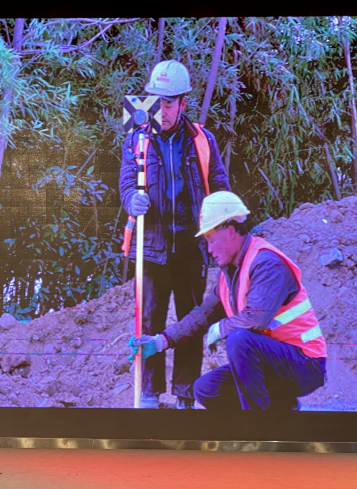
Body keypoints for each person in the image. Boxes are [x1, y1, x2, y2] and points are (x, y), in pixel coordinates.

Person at [131, 191, 327, 410]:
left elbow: (256, 318)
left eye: (212, 240)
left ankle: (257, 428)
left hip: (305, 364)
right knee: (206, 389)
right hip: (274, 361)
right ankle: (283, 407)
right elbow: (201, 316)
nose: (209, 249)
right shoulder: (230, 274)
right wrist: (161, 341)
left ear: (231, 231)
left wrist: (220, 328)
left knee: (239, 339)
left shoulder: (266, 264)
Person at [119, 59, 231, 409]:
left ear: (183, 103)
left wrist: (223, 232)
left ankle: (186, 394)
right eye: (155, 100)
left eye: (167, 103)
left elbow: (219, 186)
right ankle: (149, 394)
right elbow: (125, 182)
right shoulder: (138, 139)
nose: (161, 110)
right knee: (149, 321)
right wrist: (131, 199)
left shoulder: (202, 140)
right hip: (150, 250)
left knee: (190, 322)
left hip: (189, 248)